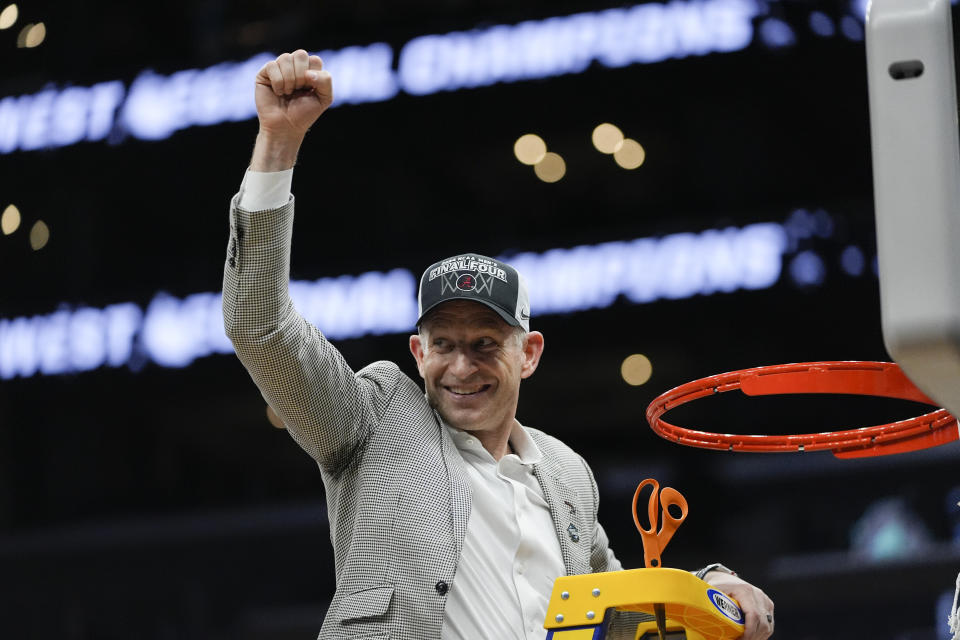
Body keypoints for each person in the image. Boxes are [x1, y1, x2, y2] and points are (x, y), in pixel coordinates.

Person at [223, 49, 775, 640]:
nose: (462, 366)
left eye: (485, 344)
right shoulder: (374, 419)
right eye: (444, 344)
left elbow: (618, 611)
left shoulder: (567, 474)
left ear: (529, 353)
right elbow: (259, 325)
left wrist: (712, 590)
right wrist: (278, 142)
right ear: (418, 353)